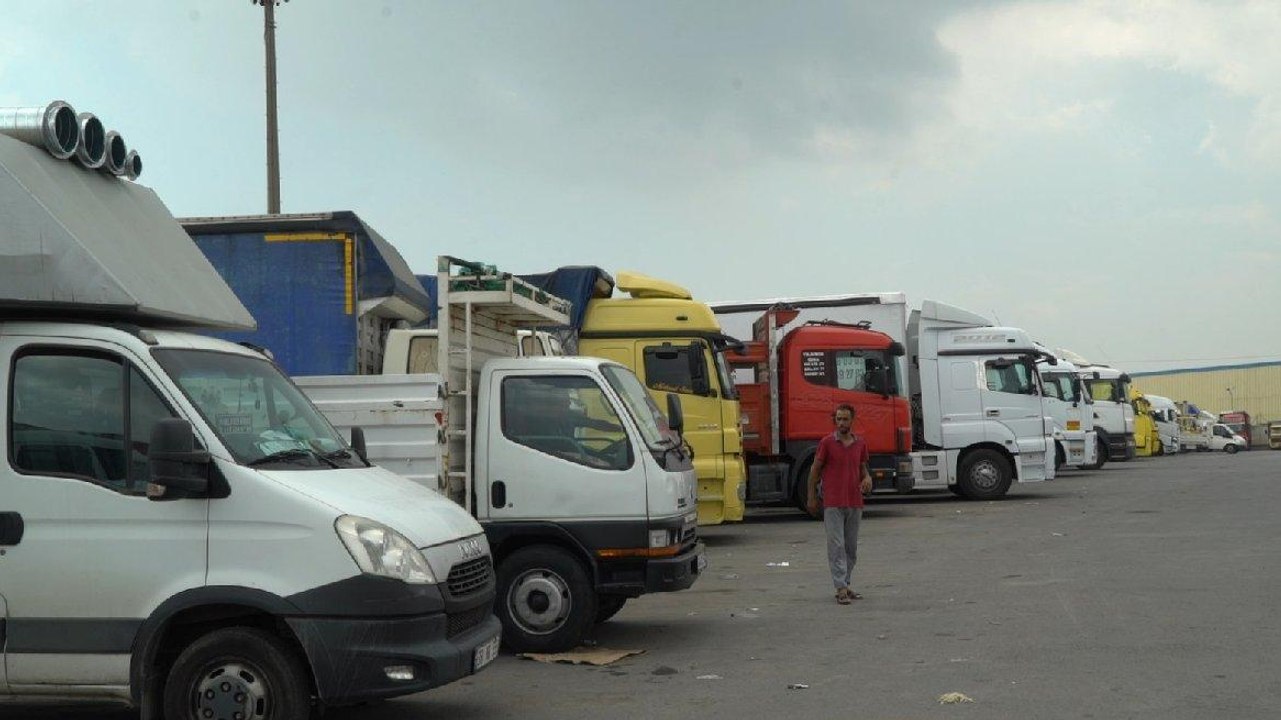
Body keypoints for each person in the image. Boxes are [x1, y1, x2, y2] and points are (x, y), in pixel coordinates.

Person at [806, 403, 872, 605]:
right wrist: (811, 497)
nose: (841, 423)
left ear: (852, 420)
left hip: (854, 502)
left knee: (850, 548)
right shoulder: (826, 443)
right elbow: (814, 471)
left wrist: (868, 479)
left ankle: (846, 583)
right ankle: (840, 588)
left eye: (845, 419)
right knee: (836, 546)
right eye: (838, 419)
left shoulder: (860, 444)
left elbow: (863, 469)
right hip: (833, 503)